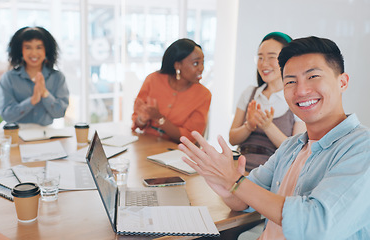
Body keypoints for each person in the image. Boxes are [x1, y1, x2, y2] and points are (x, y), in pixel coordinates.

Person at [178, 36, 370, 239]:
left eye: (313, 77)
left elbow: (316, 224)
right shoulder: (291, 147)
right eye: (290, 81)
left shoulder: (361, 148)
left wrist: (235, 181)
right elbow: (243, 201)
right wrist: (223, 183)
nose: (301, 90)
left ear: (342, 82)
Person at [229, 32, 306, 171]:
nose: (264, 63)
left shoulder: (299, 99)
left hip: (272, 174)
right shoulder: (250, 93)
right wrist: (249, 126)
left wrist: (268, 126)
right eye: (260, 57)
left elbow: (296, 152)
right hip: (239, 168)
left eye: (271, 57)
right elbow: (232, 139)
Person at [131, 38, 211, 142]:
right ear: (178, 65)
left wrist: (159, 118)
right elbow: (137, 121)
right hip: (145, 144)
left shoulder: (203, 95)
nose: (201, 68)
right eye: (196, 63)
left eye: (202, 62)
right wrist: (142, 119)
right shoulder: (153, 79)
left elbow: (190, 137)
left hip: (176, 151)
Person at [0, 26, 69, 126]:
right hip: (16, 132)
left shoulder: (58, 77)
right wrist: (32, 101)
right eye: (28, 47)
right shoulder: (9, 78)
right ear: (20, 50)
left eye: (39, 47)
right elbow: (6, 115)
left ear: (46, 50)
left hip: (47, 133)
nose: (34, 53)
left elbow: (60, 113)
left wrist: (45, 94)